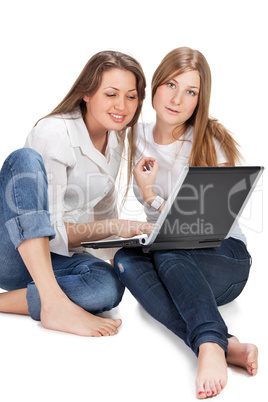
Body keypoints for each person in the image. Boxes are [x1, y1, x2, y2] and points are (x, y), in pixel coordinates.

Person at [113, 47, 258, 398]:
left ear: (199, 100)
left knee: (169, 246)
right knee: (123, 259)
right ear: (156, 87)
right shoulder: (134, 136)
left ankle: (208, 343)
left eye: (190, 91)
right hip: (172, 257)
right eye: (172, 85)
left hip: (225, 258)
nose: (177, 99)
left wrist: (152, 198)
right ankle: (227, 344)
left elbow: (204, 227)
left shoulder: (210, 139)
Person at [0, 50, 154, 337]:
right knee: (23, 159)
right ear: (87, 93)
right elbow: (50, 229)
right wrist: (114, 227)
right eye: (111, 94)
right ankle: (54, 301)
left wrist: (115, 258)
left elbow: (106, 206)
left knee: (107, 287)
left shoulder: (116, 137)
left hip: (56, 260)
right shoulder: (55, 133)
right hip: (13, 252)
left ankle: (40, 300)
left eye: (131, 96)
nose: (122, 105)